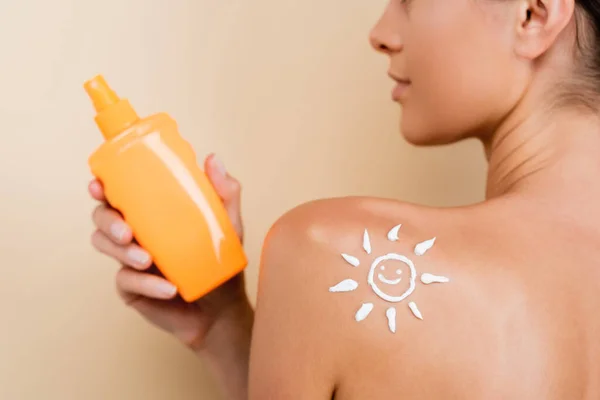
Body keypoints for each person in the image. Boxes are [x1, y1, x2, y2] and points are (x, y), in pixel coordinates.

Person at [89, 0, 600, 398]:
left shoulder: (328, 253)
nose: (380, 34)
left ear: (533, 13)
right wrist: (223, 326)